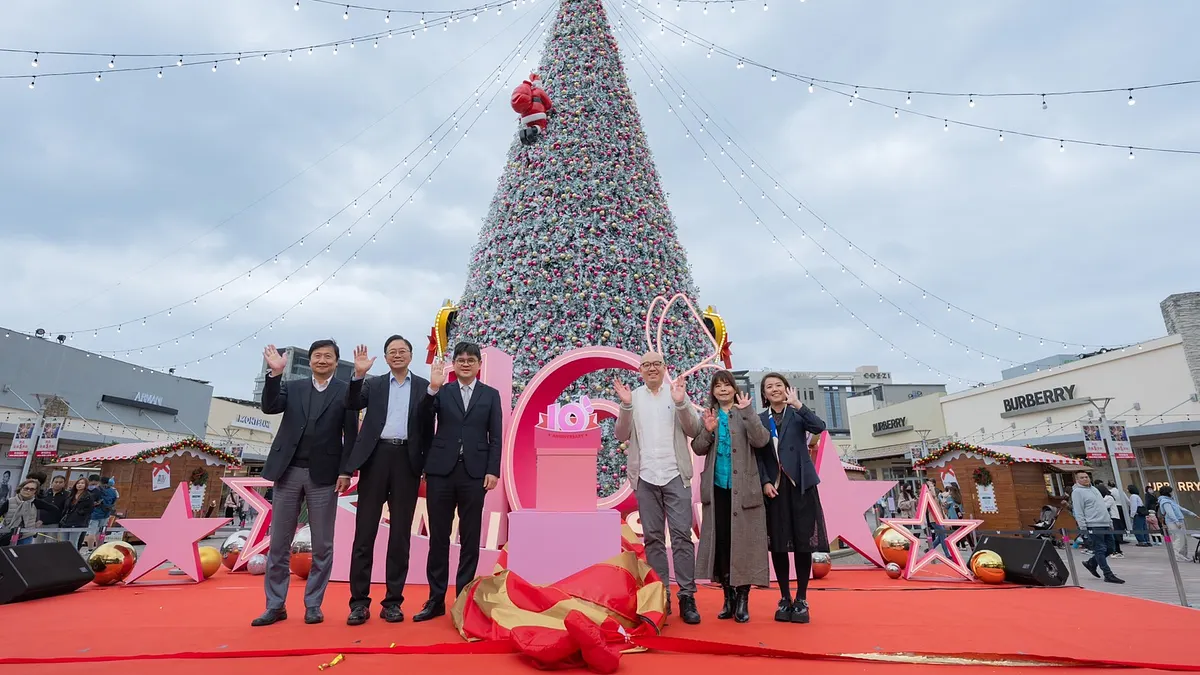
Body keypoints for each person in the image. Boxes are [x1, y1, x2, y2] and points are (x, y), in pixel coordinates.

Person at [253, 340, 359, 627]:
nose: (322, 360)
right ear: (310, 360)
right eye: (317, 356)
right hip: (288, 471)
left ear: (337, 363)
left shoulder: (345, 392)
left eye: (328, 356)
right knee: (278, 543)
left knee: (322, 544)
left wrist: (346, 470)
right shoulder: (295, 386)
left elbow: (351, 435)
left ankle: (314, 604)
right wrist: (275, 374)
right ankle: (275, 605)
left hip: (325, 476)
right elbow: (270, 406)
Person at [342, 337, 431, 626]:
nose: (397, 355)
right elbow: (352, 402)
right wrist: (358, 375)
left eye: (402, 351)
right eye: (392, 352)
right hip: (375, 457)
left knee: (400, 535)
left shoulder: (423, 386)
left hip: (407, 460)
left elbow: (429, 423)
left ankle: (393, 602)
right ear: (385, 357)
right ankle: (358, 603)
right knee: (364, 532)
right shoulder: (375, 384)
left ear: (411, 355)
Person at [413, 342, 503, 622]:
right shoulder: (443, 391)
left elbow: (496, 436)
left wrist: (493, 470)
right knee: (438, 537)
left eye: (470, 360)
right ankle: (435, 599)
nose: (465, 364)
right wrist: (432, 389)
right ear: (454, 363)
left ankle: (464, 599)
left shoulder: (490, 395)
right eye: (461, 359)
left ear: (479, 365)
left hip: (475, 473)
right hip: (441, 471)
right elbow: (422, 420)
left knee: (470, 537)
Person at [613, 352, 704, 624]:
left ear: (664, 368)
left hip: (676, 475)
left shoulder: (675, 392)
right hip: (646, 477)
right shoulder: (634, 397)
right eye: (646, 365)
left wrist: (681, 403)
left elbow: (695, 428)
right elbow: (620, 434)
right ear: (640, 370)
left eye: (657, 364)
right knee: (652, 538)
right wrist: (626, 406)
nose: (652, 369)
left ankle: (687, 595)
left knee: (681, 537)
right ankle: (660, 595)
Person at [691, 370, 771, 623]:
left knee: (744, 543)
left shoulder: (745, 412)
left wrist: (748, 413)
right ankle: (728, 597)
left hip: (744, 490)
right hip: (717, 490)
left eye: (727, 385)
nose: (723, 390)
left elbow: (761, 441)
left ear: (734, 388)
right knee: (723, 542)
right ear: (713, 391)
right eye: (718, 386)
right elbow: (698, 448)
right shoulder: (710, 415)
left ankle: (743, 598)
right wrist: (708, 430)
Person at [754, 372, 829, 624]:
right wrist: (764, 481)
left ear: (786, 388)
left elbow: (820, 427)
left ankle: (802, 599)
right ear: (764, 394)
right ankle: (784, 597)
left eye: (778, 385)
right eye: (769, 387)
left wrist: (798, 404)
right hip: (774, 489)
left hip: (801, 486)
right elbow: (758, 456)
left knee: (802, 543)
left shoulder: (798, 414)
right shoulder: (760, 420)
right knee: (778, 544)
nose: (774, 390)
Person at [1071, 471, 1124, 584]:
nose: (1085, 479)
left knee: (1111, 548)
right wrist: (1083, 528)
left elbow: (1102, 507)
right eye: (1082, 477)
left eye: (1086, 477)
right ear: (1077, 480)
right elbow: (1079, 511)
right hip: (1093, 524)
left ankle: (1092, 563)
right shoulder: (1077, 492)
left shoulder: (1095, 489)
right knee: (1100, 549)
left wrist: (1109, 522)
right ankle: (1107, 574)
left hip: (1105, 523)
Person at [0, 478, 60, 545]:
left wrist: (42, 520)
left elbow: (55, 510)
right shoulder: (10, 501)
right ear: (21, 488)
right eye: (26, 488)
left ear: (35, 491)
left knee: (23, 554)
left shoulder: (36, 502)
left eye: (32, 489)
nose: (28, 491)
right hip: (8, 534)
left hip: (26, 535)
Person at [1157, 485, 1197, 563]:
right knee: (1179, 539)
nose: (1172, 493)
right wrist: (1176, 522)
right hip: (1173, 522)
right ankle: (1176, 556)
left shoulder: (1171, 500)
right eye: (1171, 491)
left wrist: (1193, 514)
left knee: (1183, 539)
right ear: (1167, 492)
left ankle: (1183, 555)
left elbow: (1180, 508)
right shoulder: (1165, 501)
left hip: (1179, 521)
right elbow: (1170, 513)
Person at [1097, 483, 1123, 557]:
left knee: (1114, 535)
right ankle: (1114, 550)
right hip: (1108, 518)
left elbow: (1105, 507)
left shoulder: (1109, 498)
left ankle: (1117, 551)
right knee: (1111, 535)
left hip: (1113, 517)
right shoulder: (1104, 498)